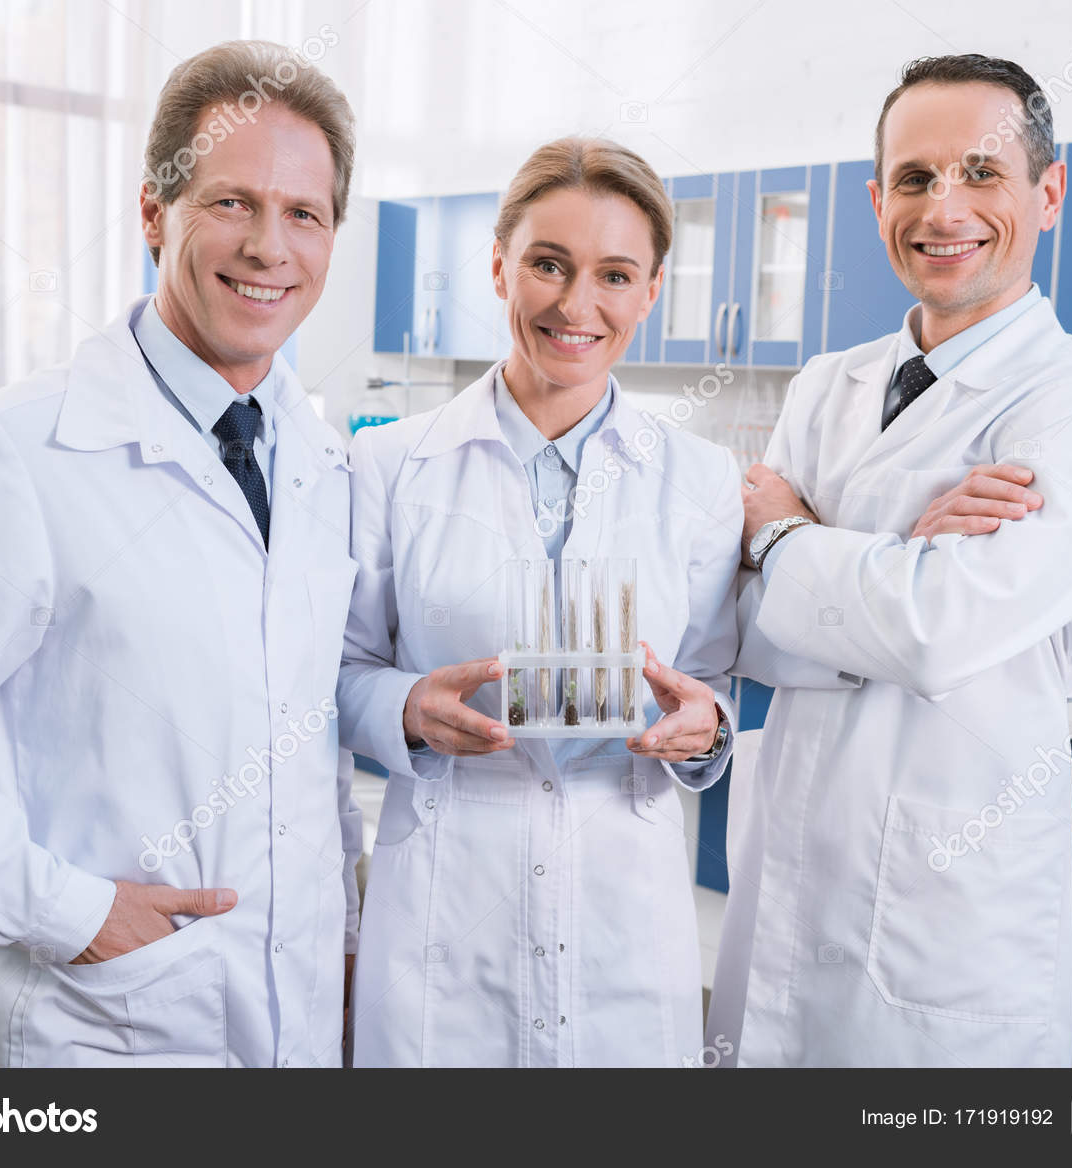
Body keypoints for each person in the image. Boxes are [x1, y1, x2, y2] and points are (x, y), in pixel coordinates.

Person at [0, 41, 363, 1068]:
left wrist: (345, 940)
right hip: (115, 1024)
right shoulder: (18, 450)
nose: (270, 246)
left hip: (300, 1013)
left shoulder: (321, 460)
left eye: (303, 213)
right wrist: (67, 909)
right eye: (232, 202)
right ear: (153, 213)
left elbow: (303, 729)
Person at [712, 53, 1072, 1067]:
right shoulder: (826, 384)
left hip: (943, 926)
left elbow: (933, 629)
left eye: (980, 173)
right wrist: (893, 566)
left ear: (1048, 194)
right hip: (787, 884)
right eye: (914, 178)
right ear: (878, 202)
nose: (941, 207)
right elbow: (732, 623)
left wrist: (788, 535)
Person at [338, 138, 743, 1067]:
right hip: (446, 899)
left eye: (614, 274)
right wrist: (403, 708)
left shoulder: (702, 479)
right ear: (498, 265)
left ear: (651, 291)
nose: (576, 304)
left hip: (623, 912)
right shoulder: (388, 464)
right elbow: (337, 670)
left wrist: (706, 728)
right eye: (548, 265)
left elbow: (714, 682)